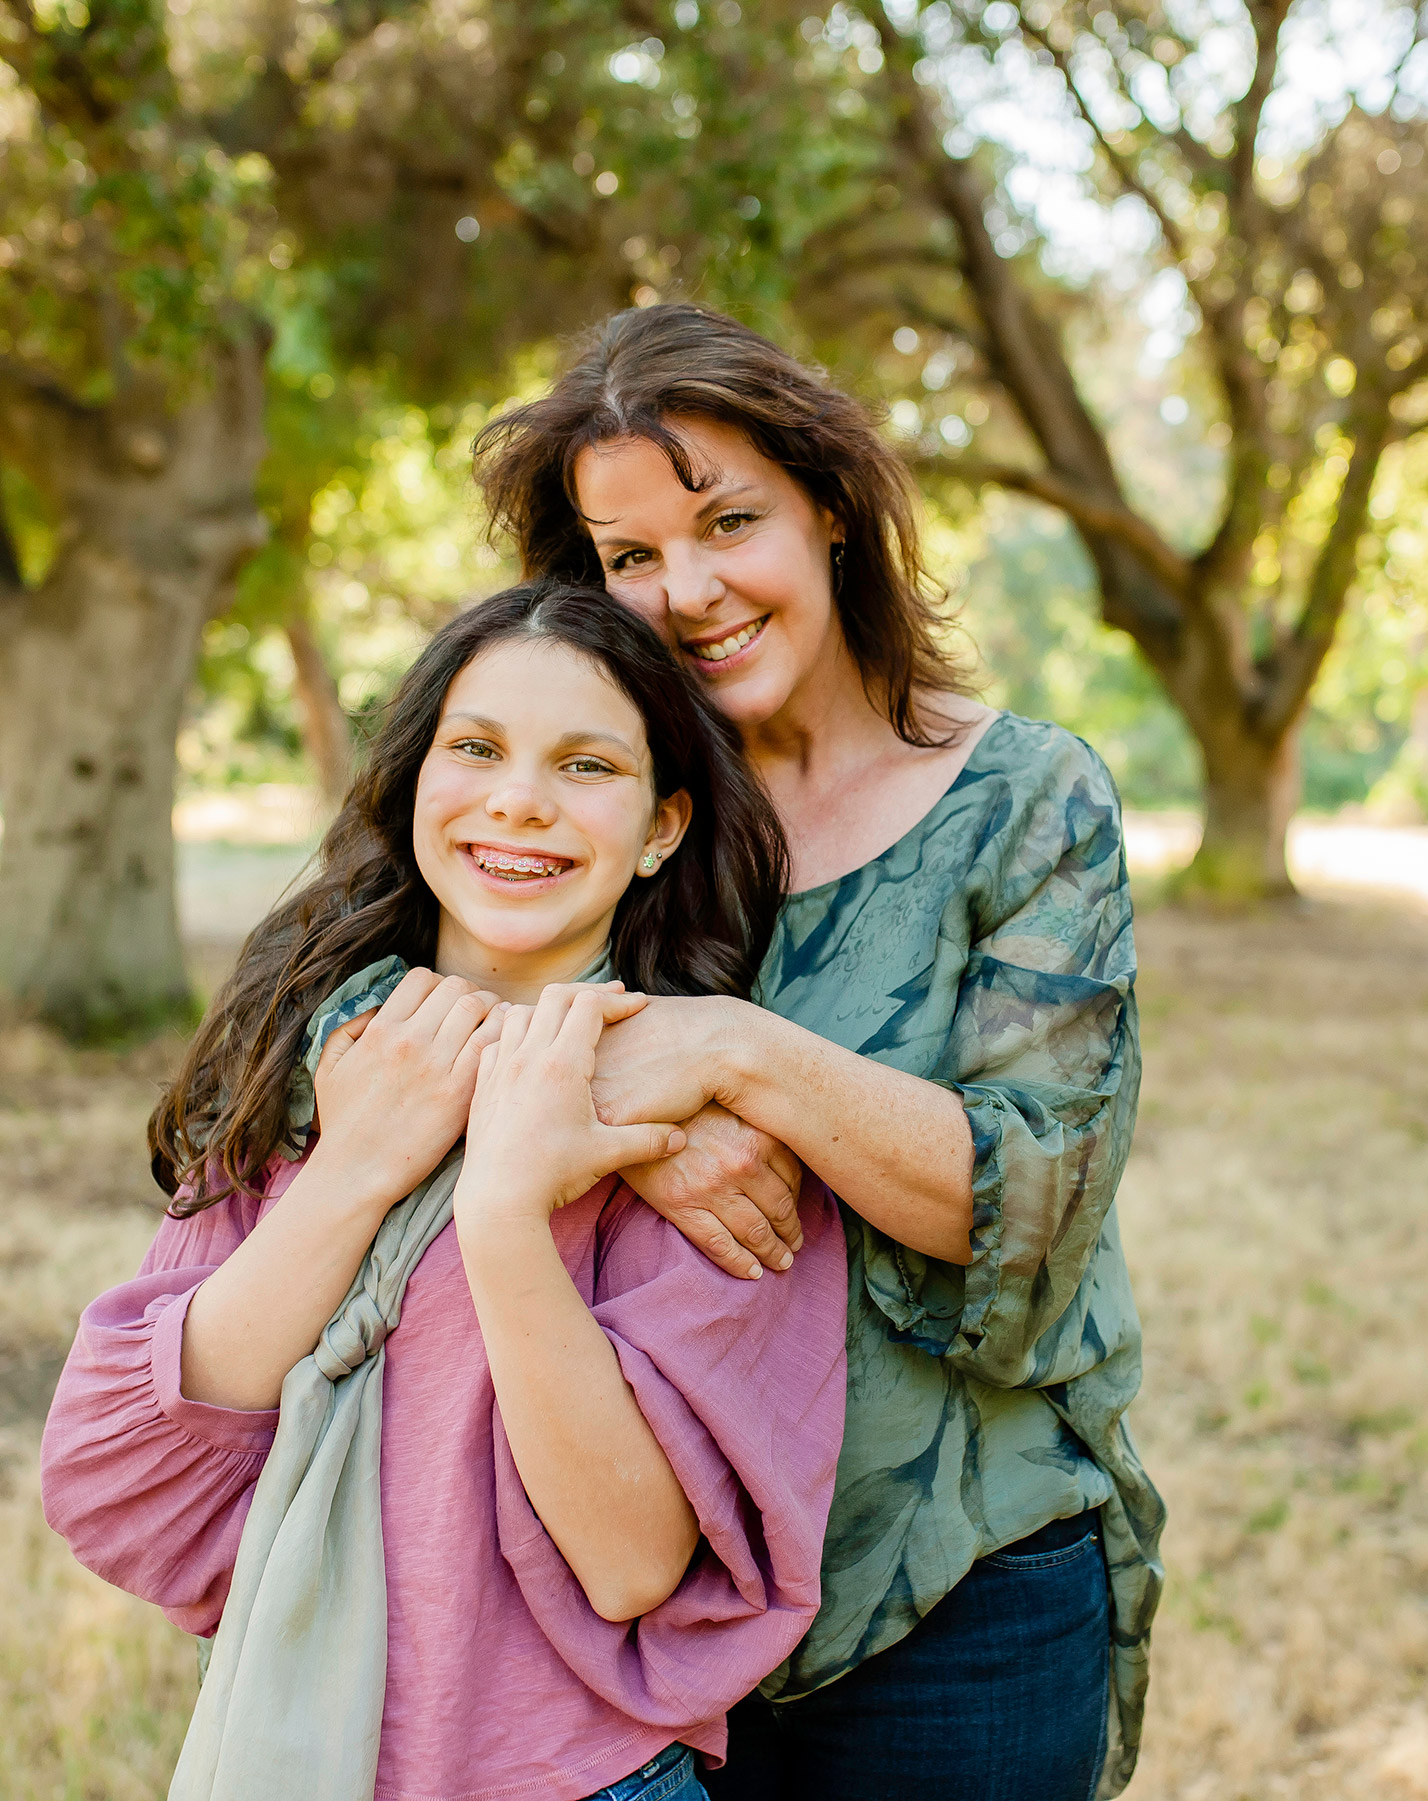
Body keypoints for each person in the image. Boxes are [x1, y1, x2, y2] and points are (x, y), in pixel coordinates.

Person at [472, 304, 1165, 1801]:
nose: (690, 591)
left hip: (955, 1599)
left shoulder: (1023, 801)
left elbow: (1031, 1212)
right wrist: (641, 1118)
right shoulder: (605, 799)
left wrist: (737, 1056)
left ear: (834, 511)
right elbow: (355, 1002)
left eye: (730, 522)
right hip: (638, 1616)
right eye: (631, 557)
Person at [40, 583, 848, 1801]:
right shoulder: (312, 1053)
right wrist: (363, 1162)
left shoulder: (703, 1136)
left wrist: (505, 1216)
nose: (518, 799)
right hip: (307, 1749)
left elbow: (632, 1565)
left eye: (585, 765)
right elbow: (114, 1478)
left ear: (662, 827)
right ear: (417, 779)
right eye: (474, 748)